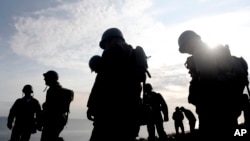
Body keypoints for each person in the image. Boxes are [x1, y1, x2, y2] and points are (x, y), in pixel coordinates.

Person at [178, 30, 248, 139]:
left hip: (214, 109)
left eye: (185, 48)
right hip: (228, 105)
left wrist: (197, 92)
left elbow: (208, 79)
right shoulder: (215, 51)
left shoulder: (201, 51)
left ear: (189, 42)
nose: (187, 51)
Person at [87, 27, 144, 141]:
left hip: (111, 113)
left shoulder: (112, 50)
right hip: (132, 112)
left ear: (109, 40)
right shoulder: (134, 53)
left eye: (105, 44)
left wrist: (91, 106)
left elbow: (101, 82)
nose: (106, 46)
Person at [41, 70, 74, 141]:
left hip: (52, 121)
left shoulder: (52, 90)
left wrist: (44, 106)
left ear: (51, 78)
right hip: (60, 120)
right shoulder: (56, 89)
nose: (44, 79)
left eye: (46, 78)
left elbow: (50, 109)